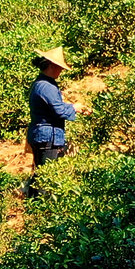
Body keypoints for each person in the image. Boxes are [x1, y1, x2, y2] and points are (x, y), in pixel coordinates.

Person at [26, 47, 81, 197]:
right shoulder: (46, 86)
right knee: (46, 177)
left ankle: (32, 207)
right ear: (52, 66)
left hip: (43, 135)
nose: (61, 72)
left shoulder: (43, 84)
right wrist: (74, 108)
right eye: (59, 68)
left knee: (41, 174)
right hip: (47, 137)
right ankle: (39, 210)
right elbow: (58, 110)